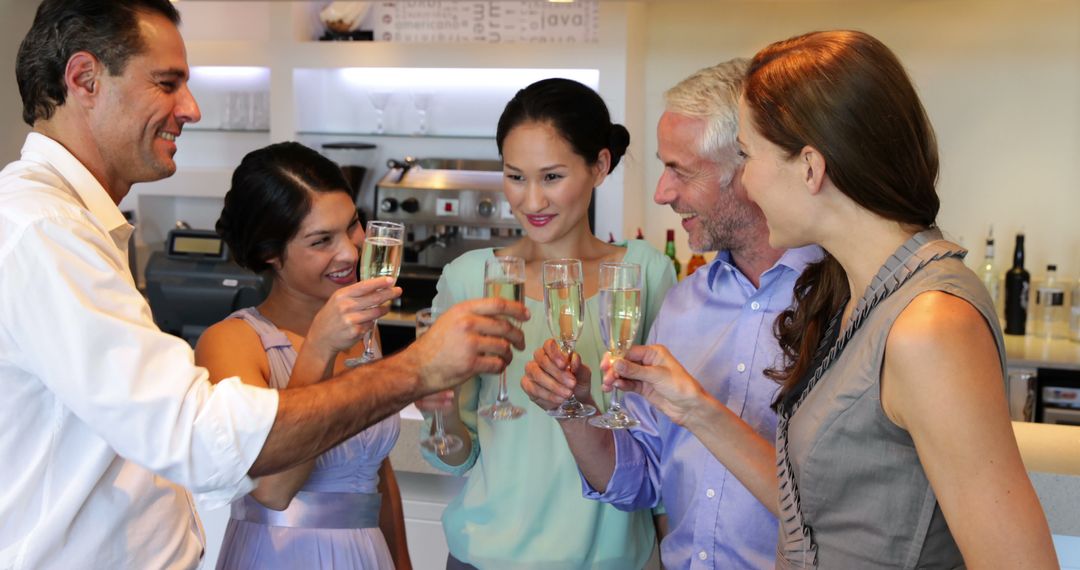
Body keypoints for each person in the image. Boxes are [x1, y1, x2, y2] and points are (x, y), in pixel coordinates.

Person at [0, 2, 525, 568]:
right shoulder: (44, 230)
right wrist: (419, 366)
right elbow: (203, 438)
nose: (191, 108)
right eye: (167, 83)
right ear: (84, 80)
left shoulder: (70, 226)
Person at [604, 30, 1058, 568]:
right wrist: (693, 408)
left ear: (811, 168)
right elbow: (817, 516)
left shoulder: (930, 325)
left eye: (747, 156)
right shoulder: (861, 297)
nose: (744, 181)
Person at [522, 61, 822, 569]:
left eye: (679, 170)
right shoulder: (683, 305)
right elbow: (639, 480)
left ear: (748, 166)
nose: (662, 192)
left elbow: (851, 513)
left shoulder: (840, 301)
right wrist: (573, 410)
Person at [415, 78, 676, 570]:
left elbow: (666, 441)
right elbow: (453, 455)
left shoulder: (643, 275)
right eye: (515, 176)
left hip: (615, 559)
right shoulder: (470, 279)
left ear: (599, 166)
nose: (531, 201)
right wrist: (441, 413)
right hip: (486, 558)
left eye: (552, 177)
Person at [194, 142, 412, 569]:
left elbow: (376, 473)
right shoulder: (231, 343)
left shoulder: (363, 331)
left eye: (352, 226)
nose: (351, 252)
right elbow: (273, 490)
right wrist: (319, 348)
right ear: (269, 254)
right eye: (321, 240)